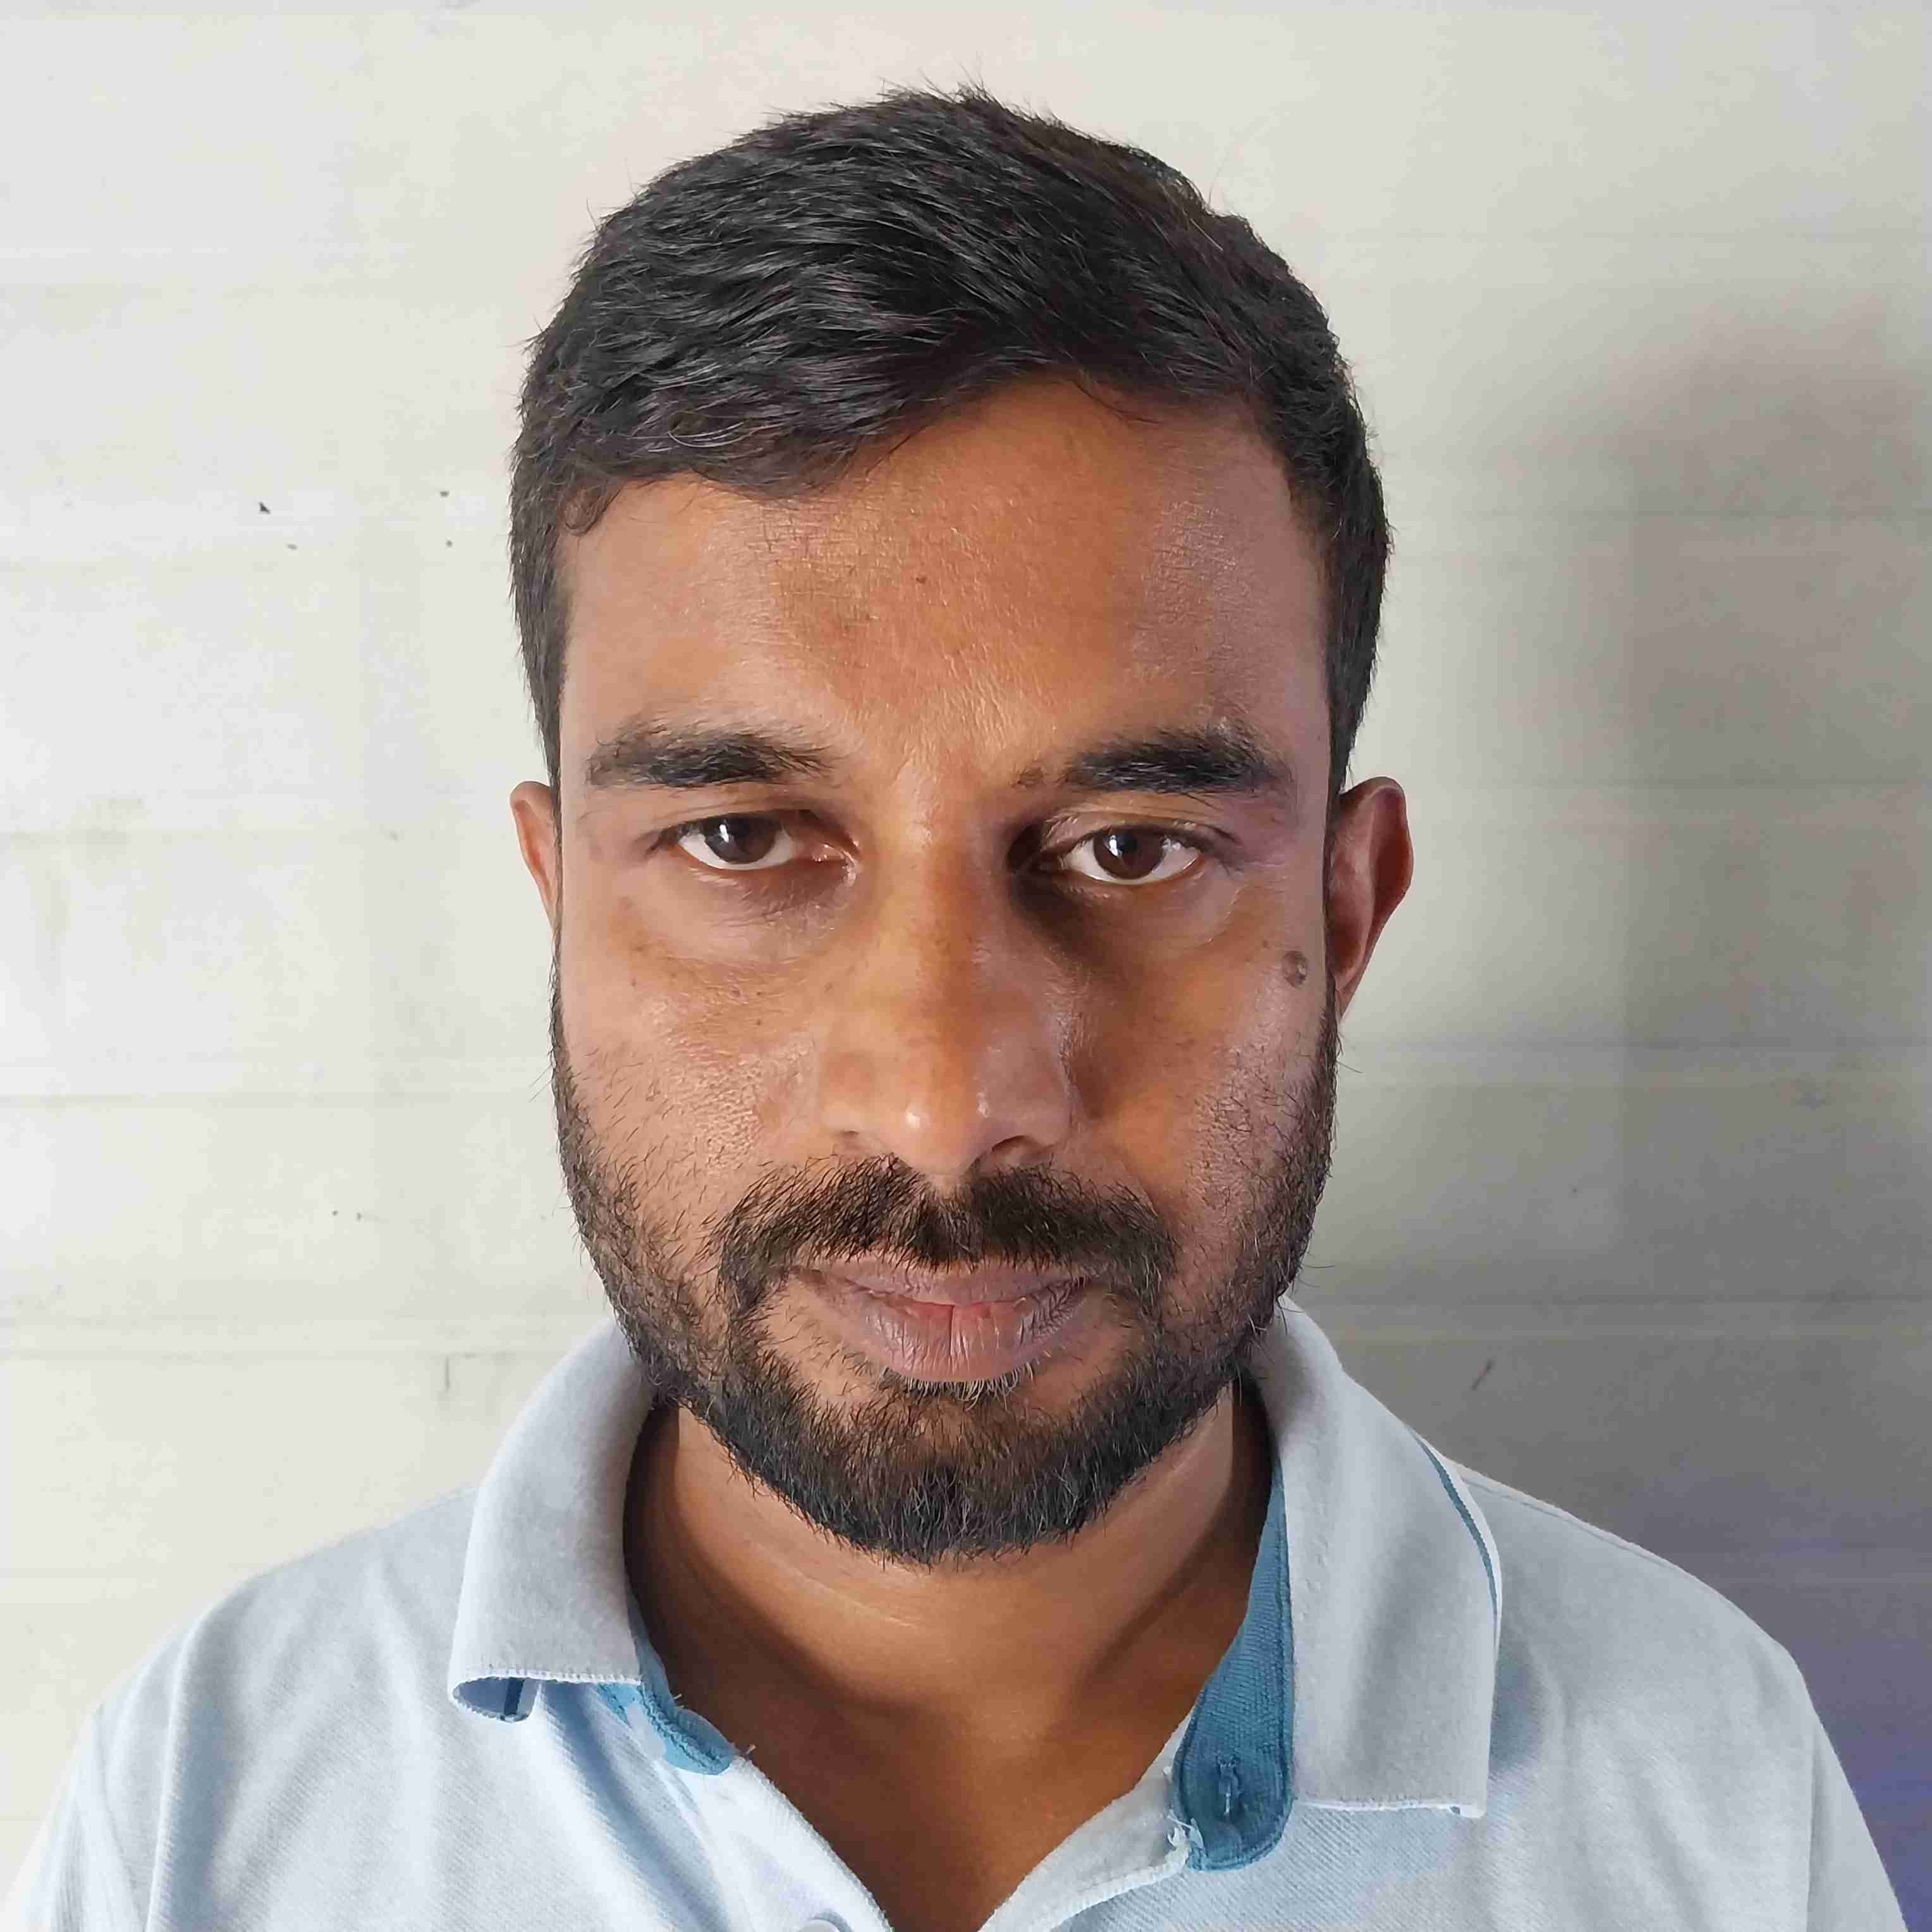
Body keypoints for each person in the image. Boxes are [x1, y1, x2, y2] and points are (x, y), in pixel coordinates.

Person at [8, 80, 1904, 1932]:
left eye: (1132, 849)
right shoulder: (212, 1809)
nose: (941, 1103)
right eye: (745, 838)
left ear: (1346, 907)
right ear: (561, 898)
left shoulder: (1702, 1796)